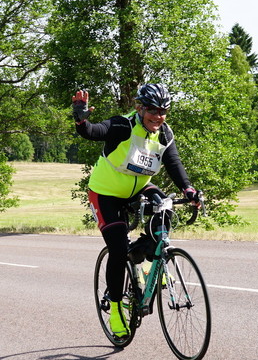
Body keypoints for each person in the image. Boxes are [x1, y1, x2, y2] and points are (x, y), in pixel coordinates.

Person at [73, 83, 199, 337]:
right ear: (140, 108)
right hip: (105, 193)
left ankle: (153, 261)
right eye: (152, 109)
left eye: (164, 110)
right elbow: (94, 132)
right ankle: (118, 309)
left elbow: (173, 162)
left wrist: (188, 190)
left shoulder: (163, 133)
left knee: (165, 207)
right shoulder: (123, 126)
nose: (158, 116)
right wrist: (81, 120)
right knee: (118, 249)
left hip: (138, 188)